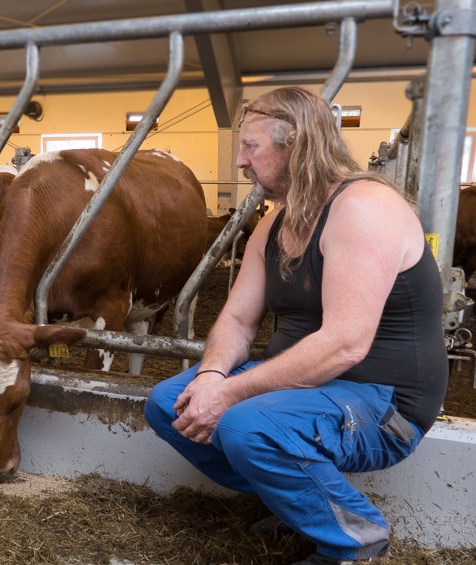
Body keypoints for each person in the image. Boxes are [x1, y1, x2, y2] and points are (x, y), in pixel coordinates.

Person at [144, 87, 448, 565]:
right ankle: (299, 504)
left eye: (251, 147)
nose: (241, 163)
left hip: (381, 400)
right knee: (168, 403)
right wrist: (210, 378)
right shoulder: (275, 224)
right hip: (305, 389)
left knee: (248, 425)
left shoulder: (363, 208)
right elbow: (239, 319)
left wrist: (228, 396)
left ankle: (355, 537)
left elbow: (345, 345)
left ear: (296, 146)